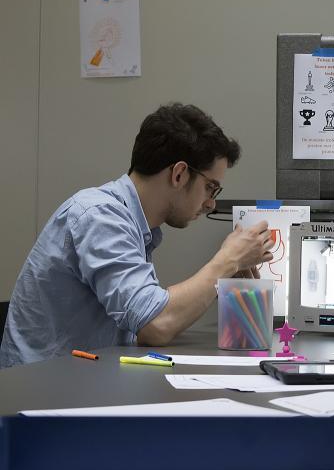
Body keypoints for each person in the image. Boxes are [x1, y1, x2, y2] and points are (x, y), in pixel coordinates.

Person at [1, 103, 273, 368]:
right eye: (211, 187)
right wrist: (227, 261)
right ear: (179, 174)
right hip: (43, 386)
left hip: (81, 376)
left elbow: (144, 323)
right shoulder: (99, 216)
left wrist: (224, 274)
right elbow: (155, 324)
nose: (211, 203)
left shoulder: (131, 224)